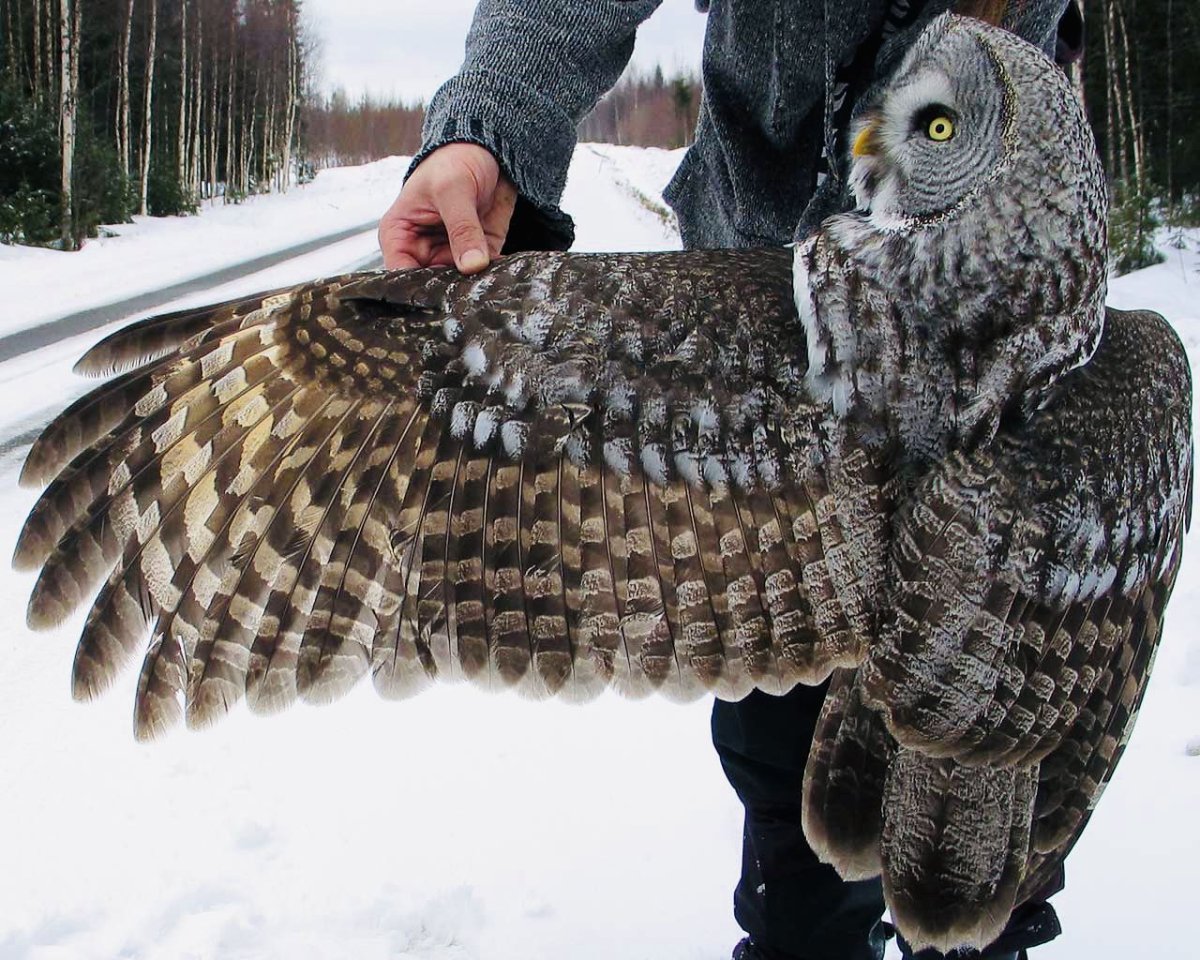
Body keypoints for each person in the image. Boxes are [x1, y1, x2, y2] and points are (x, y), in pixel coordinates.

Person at [378, 3, 1084, 958]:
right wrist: (488, 128)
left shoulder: (1088, 368)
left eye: (930, 130)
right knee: (801, 852)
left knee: (975, 863)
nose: (879, 153)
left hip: (1007, 426)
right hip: (767, 339)